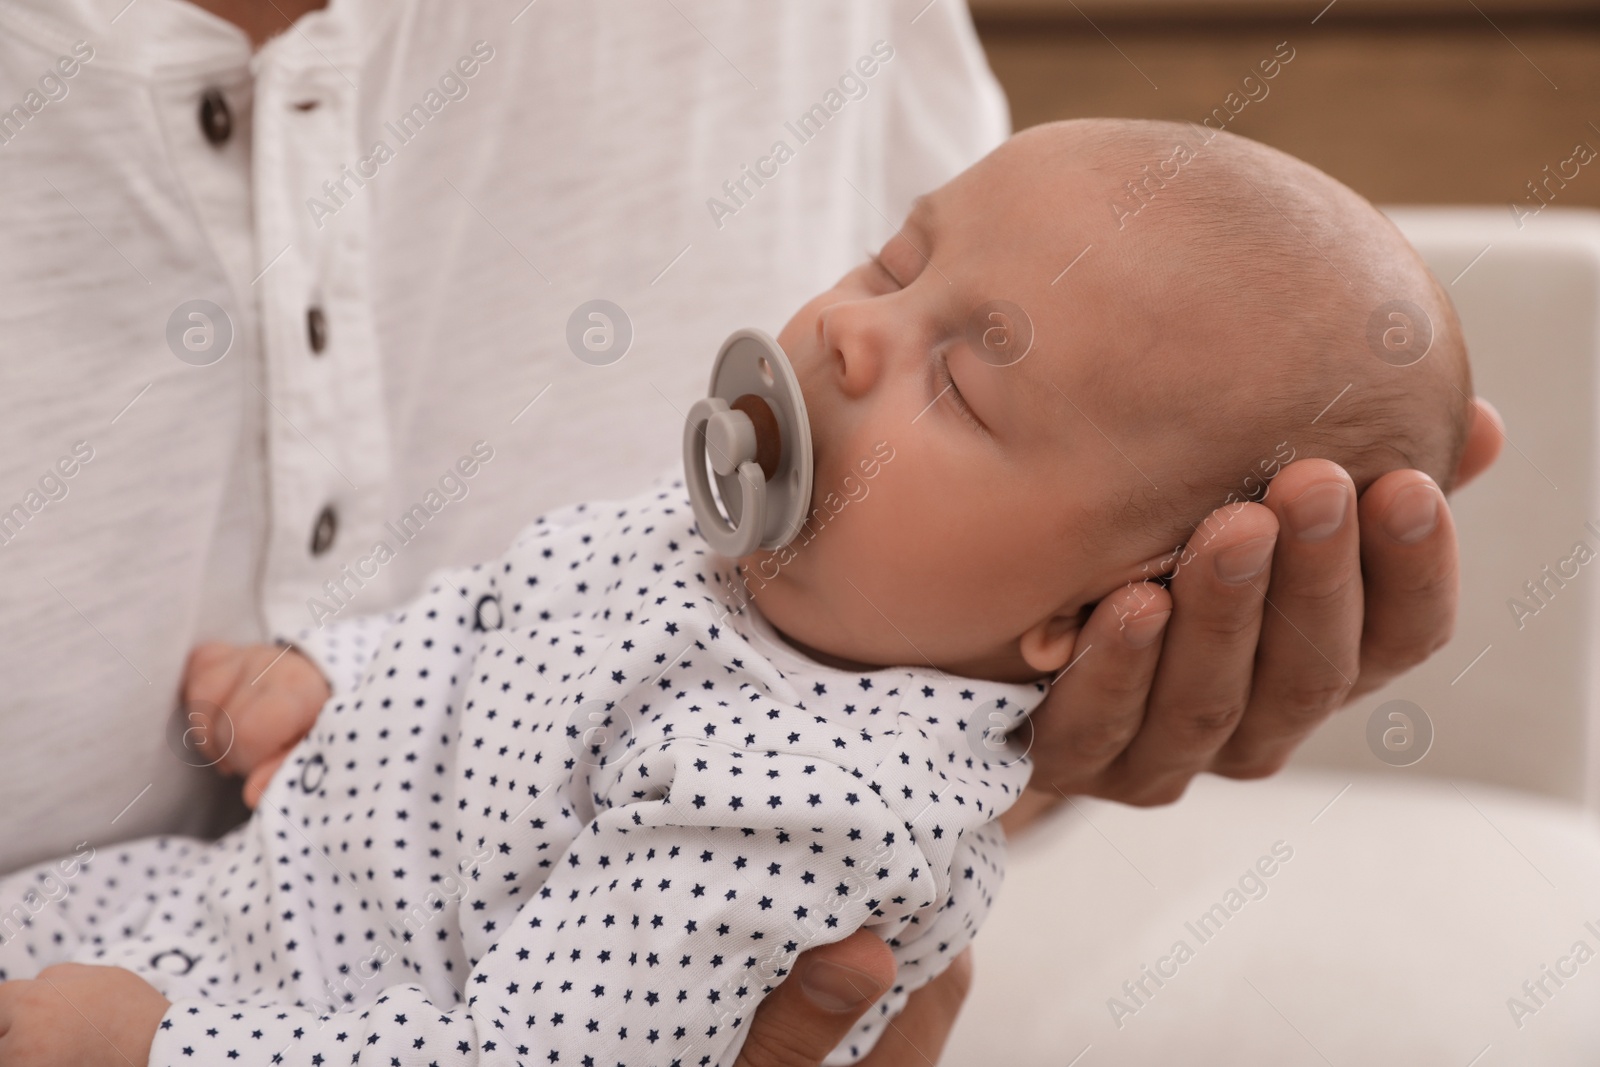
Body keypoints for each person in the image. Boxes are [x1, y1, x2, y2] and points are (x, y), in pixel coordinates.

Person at [0, 1, 1501, 1063]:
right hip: (223, 905)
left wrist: (169, 1050)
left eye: (966, 381)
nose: (849, 331)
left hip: (290, 1013)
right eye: (892, 258)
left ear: (1075, 621)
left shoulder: (816, 809)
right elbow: (504, 609)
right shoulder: (707, 553)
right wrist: (336, 683)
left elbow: (527, 1055)